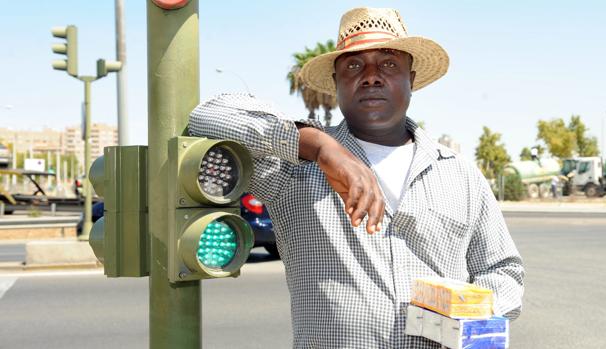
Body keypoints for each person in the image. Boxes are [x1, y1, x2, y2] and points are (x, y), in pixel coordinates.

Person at [190, 7, 524, 348]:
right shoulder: (293, 170)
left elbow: (504, 270)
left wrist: (473, 313)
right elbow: (205, 117)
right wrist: (320, 147)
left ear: (412, 78)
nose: (371, 76)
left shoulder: (460, 174)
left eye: (389, 63)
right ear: (336, 84)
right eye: (353, 65)